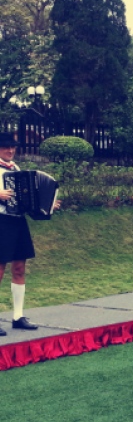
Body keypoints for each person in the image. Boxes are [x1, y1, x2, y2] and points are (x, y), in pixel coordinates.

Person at [0, 132, 60, 336]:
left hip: (17, 222)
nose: (10, 151)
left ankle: (18, 317)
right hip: (0, 222)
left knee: (19, 268)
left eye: (13, 147)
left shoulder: (15, 168)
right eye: (6, 147)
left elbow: (28, 200)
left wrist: (48, 204)